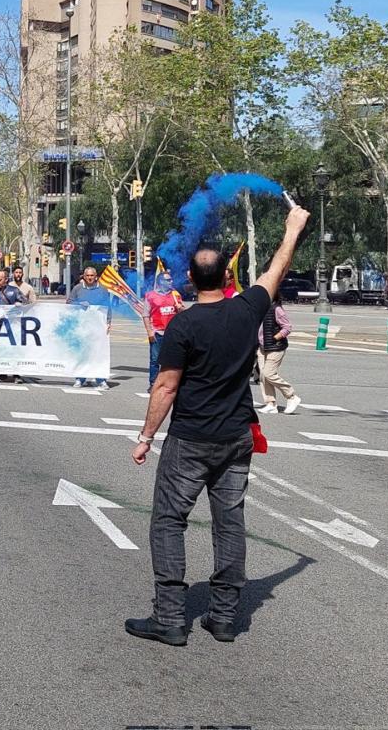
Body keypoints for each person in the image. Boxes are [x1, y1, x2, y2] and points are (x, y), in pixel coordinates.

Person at [125, 205, 310, 646]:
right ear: (229, 277)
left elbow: (166, 387)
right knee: (229, 522)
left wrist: (146, 437)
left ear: (191, 280)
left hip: (190, 439)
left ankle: (170, 618)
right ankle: (225, 616)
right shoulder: (247, 309)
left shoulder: (183, 325)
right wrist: (293, 229)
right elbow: (276, 269)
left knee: (168, 521)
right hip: (236, 437)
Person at [257, 288, 300, 414]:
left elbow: (287, 327)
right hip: (262, 347)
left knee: (268, 374)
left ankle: (291, 396)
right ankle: (270, 403)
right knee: (263, 376)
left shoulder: (276, 309)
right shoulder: (260, 309)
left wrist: (275, 337)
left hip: (276, 346)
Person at [67, 265, 109, 388]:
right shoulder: (77, 288)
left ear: (96, 277)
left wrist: (109, 322)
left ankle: (101, 379)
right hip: (82, 325)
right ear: (84, 277)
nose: (90, 278)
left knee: (99, 352)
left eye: (92, 275)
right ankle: (80, 378)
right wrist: (79, 303)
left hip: (98, 327)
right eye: (87, 275)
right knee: (82, 352)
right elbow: (69, 302)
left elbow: (108, 306)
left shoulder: (103, 289)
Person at [143, 274, 185, 388]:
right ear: (161, 281)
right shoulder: (150, 296)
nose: (171, 281)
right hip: (158, 333)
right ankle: (153, 384)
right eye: (168, 280)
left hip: (173, 333)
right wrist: (149, 332)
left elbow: (183, 312)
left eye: (171, 279)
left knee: (173, 360)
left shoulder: (175, 294)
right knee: (155, 360)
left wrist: (180, 308)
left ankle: (171, 383)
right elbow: (145, 315)